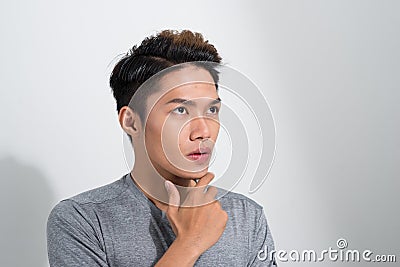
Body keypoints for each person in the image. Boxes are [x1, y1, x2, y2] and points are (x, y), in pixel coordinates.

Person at [47, 29, 277, 266]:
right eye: (180, 110)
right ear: (131, 121)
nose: (204, 132)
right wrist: (190, 244)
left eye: (211, 110)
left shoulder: (247, 217)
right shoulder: (83, 220)